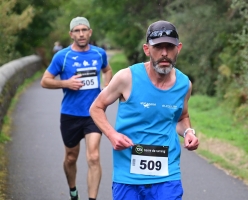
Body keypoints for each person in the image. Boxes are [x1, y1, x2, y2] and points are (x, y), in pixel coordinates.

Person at [89, 20, 199, 200]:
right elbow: (96, 107)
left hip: (167, 174)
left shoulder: (184, 84)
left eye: (170, 47)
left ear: (178, 48)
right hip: (128, 175)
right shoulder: (126, 77)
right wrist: (112, 134)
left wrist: (188, 132)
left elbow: (181, 117)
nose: (164, 53)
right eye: (158, 47)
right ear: (147, 49)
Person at [40, 16, 113, 200]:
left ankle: (92, 198)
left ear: (90, 32)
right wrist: (66, 83)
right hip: (70, 114)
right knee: (71, 158)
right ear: (71, 34)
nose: (81, 34)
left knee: (94, 157)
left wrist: (107, 87)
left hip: (93, 114)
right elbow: (45, 81)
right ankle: (73, 191)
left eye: (84, 30)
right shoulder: (62, 57)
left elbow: (107, 70)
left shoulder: (99, 54)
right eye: (77, 31)